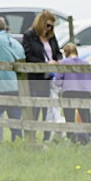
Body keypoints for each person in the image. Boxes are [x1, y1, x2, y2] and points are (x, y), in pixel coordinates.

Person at [22, 10, 62, 141]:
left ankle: (47, 137)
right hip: (35, 77)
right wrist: (44, 64)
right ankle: (31, 137)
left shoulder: (51, 37)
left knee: (48, 108)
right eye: (47, 25)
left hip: (49, 78)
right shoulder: (29, 36)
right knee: (34, 108)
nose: (49, 29)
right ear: (41, 24)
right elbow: (27, 56)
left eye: (51, 26)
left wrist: (59, 60)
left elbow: (57, 52)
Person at [53, 43, 91, 144]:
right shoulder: (86, 63)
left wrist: (64, 84)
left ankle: (72, 140)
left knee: (69, 118)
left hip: (69, 92)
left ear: (65, 53)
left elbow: (57, 81)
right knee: (86, 117)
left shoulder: (63, 63)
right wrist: (88, 86)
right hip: (84, 93)